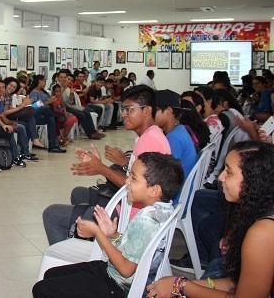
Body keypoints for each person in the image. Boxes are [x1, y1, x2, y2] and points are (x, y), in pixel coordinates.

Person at [34, 152, 184, 298]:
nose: (127, 181)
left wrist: (97, 233)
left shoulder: (146, 220)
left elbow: (126, 270)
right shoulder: (164, 210)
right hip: (119, 276)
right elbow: (137, 251)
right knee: (51, 275)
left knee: (42, 289)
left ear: (154, 190)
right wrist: (113, 235)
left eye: (134, 178)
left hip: (117, 286)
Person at [42, 85, 171, 245]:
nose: (123, 114)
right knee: (80, 195)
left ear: (146, 111)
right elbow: (134, 179)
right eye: (123, 109)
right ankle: (86, 246)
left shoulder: (149, 141)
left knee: (51, 214)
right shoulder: (148, 136)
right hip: (128, 207)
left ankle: (72, 262)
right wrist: (100, 166)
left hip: (130, 217)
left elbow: (136, 187)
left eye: (129, 110)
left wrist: (102, 168)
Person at [146, 141, 274, 298]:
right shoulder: (257, 213)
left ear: (254, 179)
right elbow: (240, 283)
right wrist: (180, 283)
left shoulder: (262, 233)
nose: (220, 177)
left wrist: (180, 286)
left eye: (229, 171)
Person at [57, 70, 104, 140]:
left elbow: (70, 101)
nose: (64, 79)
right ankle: (90, 134)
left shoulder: (68, 88)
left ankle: (93, 131)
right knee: (81, 114)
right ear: (58, 78)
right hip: (63, 108)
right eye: (61, 77)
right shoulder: (56, 87)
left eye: (65, 77)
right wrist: (63, 90)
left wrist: (71, 94)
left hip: (70, 106)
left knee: (86, 111)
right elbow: (59, 101)